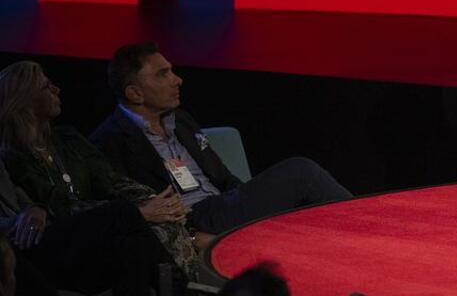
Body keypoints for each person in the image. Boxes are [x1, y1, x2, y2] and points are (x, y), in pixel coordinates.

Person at [92, 43, 352, 236]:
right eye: (163, 74)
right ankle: (373, 223)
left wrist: (251, 201)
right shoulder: (111, 141)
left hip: (223, 204)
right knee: (300, 172)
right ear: (135, 93)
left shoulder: (180, 120)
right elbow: (128, 208)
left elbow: (222, 176)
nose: (177, 80)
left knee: (307, 205)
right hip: (193, 218)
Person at [0, 61, 188, 295]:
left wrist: (148, 199)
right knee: (123, 212)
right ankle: (182, 288)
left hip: (91, 231)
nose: (57, 90)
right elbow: (55, 206)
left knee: (132, 246)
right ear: (25, 98)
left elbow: (109, 178)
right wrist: (138, 211)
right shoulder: (14, 155)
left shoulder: (67, 138)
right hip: (52, 238)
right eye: (47, 87)